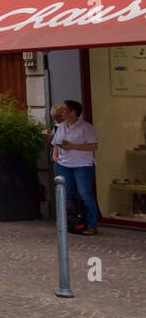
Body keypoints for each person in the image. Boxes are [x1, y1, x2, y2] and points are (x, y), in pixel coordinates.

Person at [52, 99, 100, 235]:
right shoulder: (61, 127)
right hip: (64, 164)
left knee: (85, 194)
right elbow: (56, 142)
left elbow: (94, 145)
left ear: (73, 112)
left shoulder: (86, 127)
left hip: (82, 164)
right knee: (66, 194)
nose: (62, 112)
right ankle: (68, 223)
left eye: (65, 110)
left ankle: (92, 225)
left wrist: (73, 146)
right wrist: (55, 157)